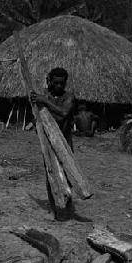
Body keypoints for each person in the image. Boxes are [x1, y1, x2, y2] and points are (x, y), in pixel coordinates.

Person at [30, 67, 76, 220]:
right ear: (50, 81)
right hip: (49, 144)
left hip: (65, 143)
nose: (58, 86)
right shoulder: (45, 96)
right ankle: (54, 209)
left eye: (61, 83)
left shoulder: (69, 97)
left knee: (67, 175)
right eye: (55, 83)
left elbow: (63, 114)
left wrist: (45, 101)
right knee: (50, 174)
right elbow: (38, 117)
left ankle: (68, 206)